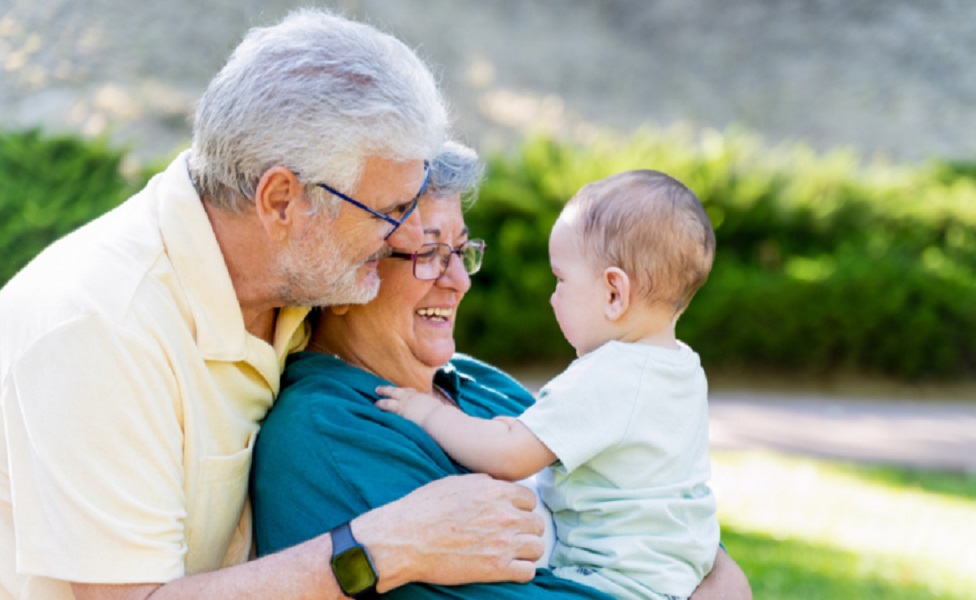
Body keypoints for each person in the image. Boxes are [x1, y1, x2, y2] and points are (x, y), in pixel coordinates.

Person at [0, 10, 548, 600]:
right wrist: (387, 546)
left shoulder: (297, 284)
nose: (402, 239)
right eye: (390, 213)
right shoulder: (102, 327)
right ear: (282, 201)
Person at [250, 150, 751, 600]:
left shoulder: (473, 382)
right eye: (429, 254)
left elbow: (682, 540)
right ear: (345, 275)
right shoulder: (330, 432)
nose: (460, 281)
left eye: (462, 252)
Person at [377, 169, 721, 600]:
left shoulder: (610, 377)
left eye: (561, 279)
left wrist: (427, 412)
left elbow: (508, 451)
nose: (553, 297)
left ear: (614, 293)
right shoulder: (683, 368)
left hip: (609, 585)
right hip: (675, 580)